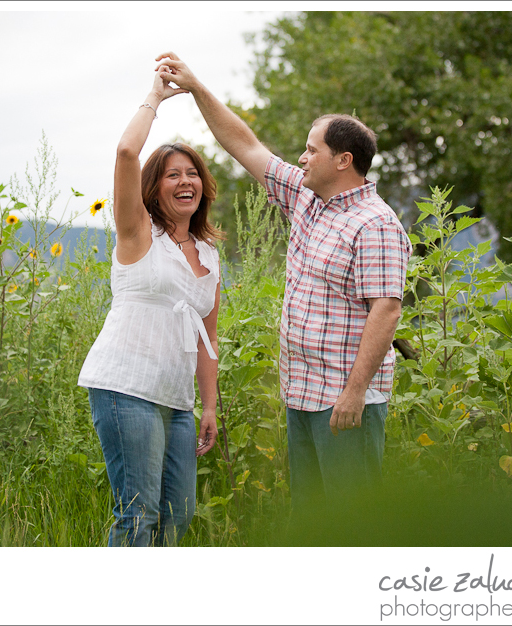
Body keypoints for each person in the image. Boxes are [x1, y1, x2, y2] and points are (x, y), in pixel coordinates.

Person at [153, 52, 412, 512]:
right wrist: (196, 88)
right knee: (312, 520)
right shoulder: (309, 200)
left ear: (343, 160)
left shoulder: (376, 224)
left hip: (344, 403)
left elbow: (386, 310)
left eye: (312, 150)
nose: (302, 156)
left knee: (352, 522)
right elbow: (244, 145)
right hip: (302, 396)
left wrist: (354, 394)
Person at [77, 66, 223, 546]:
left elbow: (209, 338)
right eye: (171, 175)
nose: (185, 182)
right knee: (137, 516)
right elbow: (125, 152)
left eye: (192, 174)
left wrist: (209, 406)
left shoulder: (209, 255)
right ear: (154, 187)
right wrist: (155, 97)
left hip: (177, 401)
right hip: (126, 388)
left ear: (203, 185)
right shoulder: (139, 233)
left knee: (178, 517)